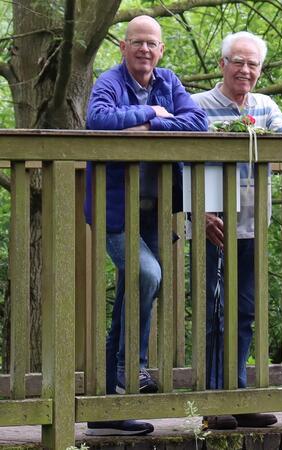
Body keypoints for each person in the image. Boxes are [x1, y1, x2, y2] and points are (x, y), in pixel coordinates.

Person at [83, 15, 207, 436]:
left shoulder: (168, 81)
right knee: (146, 274)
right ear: (123, 46)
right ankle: (126, 370)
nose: (144, 50)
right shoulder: (108, 81)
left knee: (136, 288)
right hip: (114, 209)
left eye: (151, 43)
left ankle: (107, 408)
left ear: (161, 50)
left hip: (155, 209)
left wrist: (148, 122)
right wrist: (149, 110)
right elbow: (97, 120)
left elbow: (196, 122)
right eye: (137, 42)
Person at [191, 31, 282, 430]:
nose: (245, 70)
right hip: (213, 221)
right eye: (238, 61)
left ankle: (240, 394)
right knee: (215, 311)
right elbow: (181, 161)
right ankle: (214, 400)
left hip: (251, 221)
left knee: (244, 310)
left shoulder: (264, 106)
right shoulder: (198, 106)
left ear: (260, 70)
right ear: (222, 64)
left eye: (253, 64)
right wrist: (198, 213)